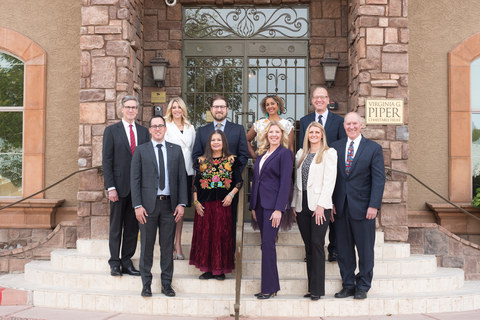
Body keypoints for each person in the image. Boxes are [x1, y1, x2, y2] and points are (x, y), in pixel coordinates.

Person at [130, 115, 188, 297]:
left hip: (169, 206)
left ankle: (166, 284)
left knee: (167, 246)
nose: (157, 129)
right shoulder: (141, 150)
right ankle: (146, 284)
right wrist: (137, 205)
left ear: (165, 129)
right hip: (147, 207)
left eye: (160, 126)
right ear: (149, 130)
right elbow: (135, 180)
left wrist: (181, 203)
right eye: (154, 126)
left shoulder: (176, 150)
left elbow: (181, 178)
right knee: (146, 246)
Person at [330, 112, 385, 300]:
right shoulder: (334, 148)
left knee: (365, 250)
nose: (351, 127)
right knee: (344, 250)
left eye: (355, 123)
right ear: (344, 126)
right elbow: (331, 179)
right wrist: (331, 203)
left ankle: (363, 286)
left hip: (364, 208)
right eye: (348, 124)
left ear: (361, 124)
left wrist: (374, 205)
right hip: (340, 207)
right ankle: (347, 285)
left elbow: (379, 180)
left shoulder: (373, 148)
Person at [192, 95, 249, 250]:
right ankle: (208, 263)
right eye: (216, 106)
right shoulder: (202, 131)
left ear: (227, 109)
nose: (219, 109)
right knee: (207, 228)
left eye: (222, 106)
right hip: (206, 192)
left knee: (227, 226)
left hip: (228, 190)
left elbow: (243, 155)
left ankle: (226, 260)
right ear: (211, 109)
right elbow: (196, 155)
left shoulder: (238, 129)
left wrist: (229, 172)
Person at [102, 95, 150, 277]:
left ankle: (126, 262)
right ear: (121, 109)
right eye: (127, 107)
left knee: (132, 227)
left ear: (137, 110)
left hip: (138, 190)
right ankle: (114, 262)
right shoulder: (111, 131)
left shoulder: (144, 132)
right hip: (118, 188)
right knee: (116, 227)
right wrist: (110, 187)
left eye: (134, 107)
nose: (131, 110)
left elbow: (147, 160)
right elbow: (107, 161)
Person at [299, 86, 346, 262]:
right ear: (312, 100)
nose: (319, 100)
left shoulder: (338, 120)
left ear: (328, 99)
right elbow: (302, 148)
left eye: (323, 97)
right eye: (316, 97)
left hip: (332, 174)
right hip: (312, 176)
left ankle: (332, 248)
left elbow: (340, 148)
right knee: (311, 212)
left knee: (331, 212)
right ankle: (310, 250)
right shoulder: (305, 121)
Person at [291, 122, 337, 301]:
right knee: (308, 247)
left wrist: (321, 206)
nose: (314, 134)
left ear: (322, 134)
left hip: (319, 207)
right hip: (302, 207)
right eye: (311, 132)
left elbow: (329, 181)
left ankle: (318, 289)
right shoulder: (301, 154)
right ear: (307, 135)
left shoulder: (329, 153)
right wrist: (295, 204)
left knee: (317, 245)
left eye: (317, 132)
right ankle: (311, 288)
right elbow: (297, 182)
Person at [189, 130, 243, 281]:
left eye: (219, 139)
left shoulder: (231, 160)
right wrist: (196, 202)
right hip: (204, 206)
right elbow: (195, 185)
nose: (216, 142)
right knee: (206, 237)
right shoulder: (202, 161)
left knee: (221, 236)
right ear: (209, 143)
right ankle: (207, 269)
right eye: (213, 140)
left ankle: (220, 270)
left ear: (223, 142)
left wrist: (231, 195)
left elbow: (239, 181)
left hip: (222, 205)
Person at [249, 121, 293, 299]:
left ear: (282, 134)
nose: (274, 135)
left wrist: (279, 209)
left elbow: (285, 183)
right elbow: (256, 181)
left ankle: (268, 288)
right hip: (260, 205)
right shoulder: (261, 154)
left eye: (277, 132)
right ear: (266, 135)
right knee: (266, 245)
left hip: (273, 206)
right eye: (271, 132)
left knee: (268, 244)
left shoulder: (285, 154)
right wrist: (253, 206)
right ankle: (272, 285)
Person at [164, 97, 196, 261]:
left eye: (179, 107)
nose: (177, 110)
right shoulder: (165, 125)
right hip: (170, 170)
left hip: (186, 172)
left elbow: (193, 149)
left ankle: (178, 243)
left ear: (183, 109)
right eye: (174, 107)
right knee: (170, 209)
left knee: (180, 210)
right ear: (170, 109)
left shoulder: (190, 128)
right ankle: (169, 245)